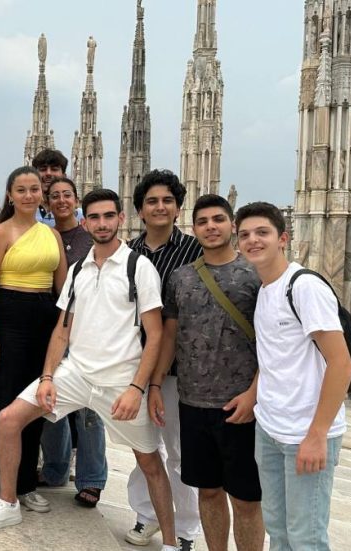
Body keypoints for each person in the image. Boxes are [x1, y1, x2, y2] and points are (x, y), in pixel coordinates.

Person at [0, 190, 180, 551]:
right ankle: (8, 503)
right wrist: (48, 376)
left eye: (108, 216)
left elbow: (155, 335)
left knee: (150, 462)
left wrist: (137, 388)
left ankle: (173, 542)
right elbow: (62, 329)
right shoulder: (79, 269)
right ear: (86, 221)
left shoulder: (137, 267)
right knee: (7, 420)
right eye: (94, 217)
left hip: (120, 380)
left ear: (121, 219)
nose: (101, 223)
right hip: (76, 375)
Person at [236, 201, 351, 550]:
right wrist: (253, 395)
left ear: (283, 238)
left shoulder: (303, 287)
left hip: (306, 433)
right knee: (280, 530)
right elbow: (274, 357)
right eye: (244, 235)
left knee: (307, 538)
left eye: (262, 233)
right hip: (271, 429)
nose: (253, 241)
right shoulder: (265, 289)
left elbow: (341, 364)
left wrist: (317, 435)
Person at [150, 195, 264, 551]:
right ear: (193, 227)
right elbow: (169, 334)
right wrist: (155, 384)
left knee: (245, 498)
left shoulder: (257, 275)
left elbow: (275, 343)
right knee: (209, 490)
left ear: (232, 224)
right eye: (203, 221)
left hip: (241, 404)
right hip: (193, 402)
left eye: (218, 219)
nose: (211, 227)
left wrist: (254, 394)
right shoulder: (181, 278)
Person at [0, 166, 66, 521]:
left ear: (42, 193)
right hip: (8, 318)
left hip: (43, 318)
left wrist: (62, 334)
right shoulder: (0, 233)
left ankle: (25, 485)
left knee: (36, 403)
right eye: (20, 189)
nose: (28, 195)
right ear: (10, 194)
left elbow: (62, 289)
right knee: (0, 404)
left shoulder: (52, 235)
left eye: (34, 189)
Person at [125, 169, 203, 548]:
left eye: (167, 201)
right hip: (134, 365)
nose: (159, 207)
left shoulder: (195, 252)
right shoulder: (128, 253)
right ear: (139, 209)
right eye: (152, 201)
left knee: (179, 451)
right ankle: (147, 515)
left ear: (178, 208)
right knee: (143, 445)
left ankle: (186, 529)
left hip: (178, 370)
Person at [37, 176, 107, 508]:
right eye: (55, 196)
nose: (61, 201)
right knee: (52, 401)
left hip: (87, 331)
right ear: (46, 202)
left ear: (76, 199)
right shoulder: (40, 235)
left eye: (67, 195)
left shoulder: (89, 238)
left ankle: (92, 478)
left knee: (88, 407)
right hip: (50, 329)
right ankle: (54, 470)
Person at [31, 149, 81, 226]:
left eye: (54, 169)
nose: (48, 173)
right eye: (43, 169)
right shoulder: (25, 212)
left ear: (64, 176)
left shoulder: (80, 216)